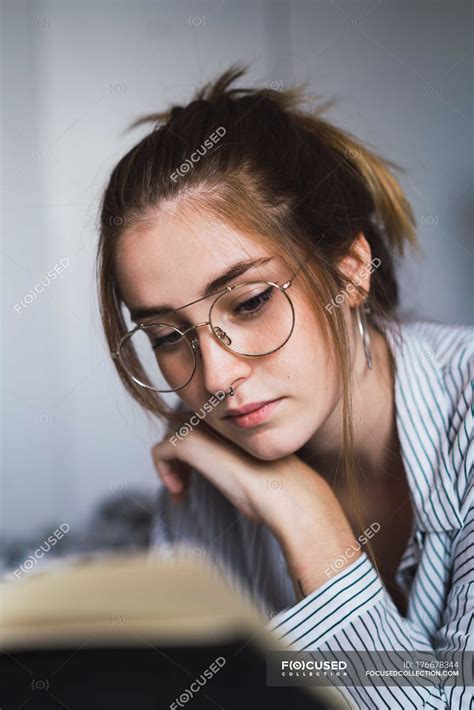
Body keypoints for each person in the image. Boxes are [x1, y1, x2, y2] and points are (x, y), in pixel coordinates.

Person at [96, 66, 473, 709]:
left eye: (248, 303)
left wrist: (305, 515)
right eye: (166, 336)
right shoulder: (204, 481)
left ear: (350, 268)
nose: (215, 380)